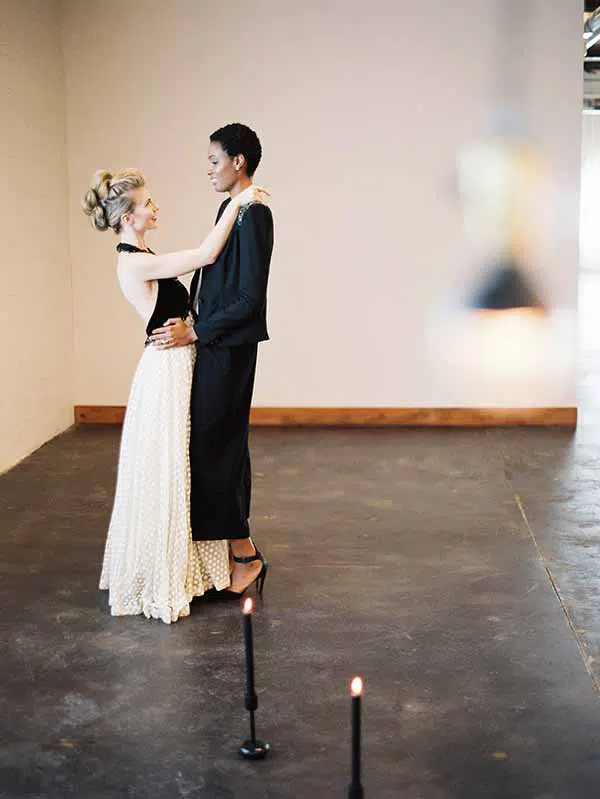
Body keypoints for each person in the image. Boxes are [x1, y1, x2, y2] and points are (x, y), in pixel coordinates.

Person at [82, 167, 268, 623]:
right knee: (171, 465)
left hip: (178, 365)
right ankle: (186, 569)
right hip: (165, 372)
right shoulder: (134, 262)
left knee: (187, 463)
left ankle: (208, 564)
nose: (155, 207)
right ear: (128, 218)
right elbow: (206, 254)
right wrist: (240, 202)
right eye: (147, 203)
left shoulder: (143, 254)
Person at [150, 123, 274, 599]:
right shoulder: (232, 208)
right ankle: (235, 550)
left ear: (238, 162)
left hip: (229, 345)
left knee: (216, 447)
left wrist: (197, 331)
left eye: (214, 160)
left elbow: (249, 297)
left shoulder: (255, 214)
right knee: (215, 446)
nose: (208, 170)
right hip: (215, 343)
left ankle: (246, 555)